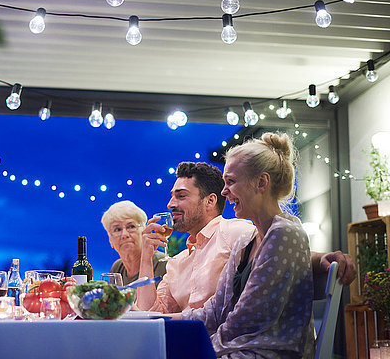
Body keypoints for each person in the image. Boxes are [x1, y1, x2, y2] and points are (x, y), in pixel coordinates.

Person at [136, 160, 356, 314]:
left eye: (181, 196)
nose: (170, 204)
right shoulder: (178, 262)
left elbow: (277, 252)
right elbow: (150, 313)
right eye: (171, 196)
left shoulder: (233, 232)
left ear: (211, 201)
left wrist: (321, 258)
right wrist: (146, 257)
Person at [179, 132, 314, 357]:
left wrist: (198, 347)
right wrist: (164, 321)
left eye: (230, 181)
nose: (223, 192)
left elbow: (246, 320)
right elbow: (214, 310)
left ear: (261, 182)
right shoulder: (246, 240)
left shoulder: (285, 234)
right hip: (240, 349)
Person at [101, 201, 167, 286]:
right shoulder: (117, 267)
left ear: (144, 231)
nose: (124, 235)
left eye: (131, 226)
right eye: (117, 229)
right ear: (110, 239)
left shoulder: (162, 264)